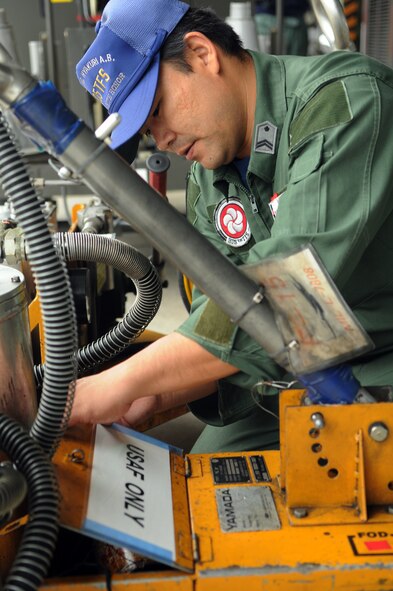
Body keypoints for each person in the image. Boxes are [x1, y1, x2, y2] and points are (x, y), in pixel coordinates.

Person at [71, 0, 393, 453]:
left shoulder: (343, 103)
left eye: (158, 109)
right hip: (295, 371)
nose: (160, 140)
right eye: (146, 131)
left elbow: (289, 294)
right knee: (202, 486)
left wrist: (119, 382)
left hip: (381, 358)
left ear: (203, 53)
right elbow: (220, 319)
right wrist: (155, 394)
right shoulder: (209, 179)